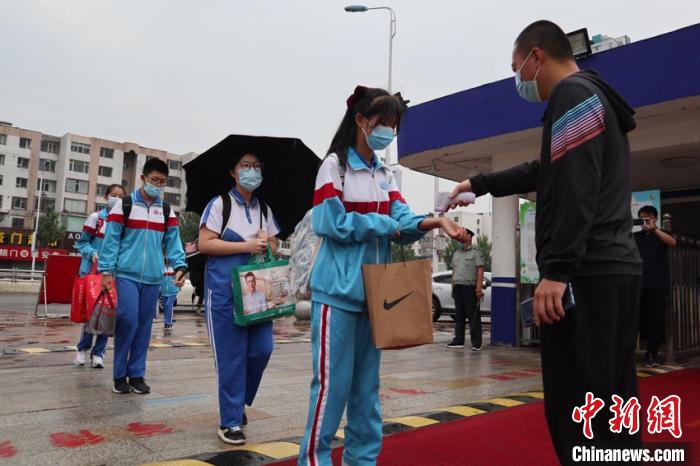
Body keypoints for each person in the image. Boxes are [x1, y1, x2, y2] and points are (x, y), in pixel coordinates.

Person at [450, 21, 643, 464]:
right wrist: (478, 183)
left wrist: (557, 271)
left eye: (516, 68)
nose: (518, 80)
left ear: (536, 56)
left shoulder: (571, 94)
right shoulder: (594, 97)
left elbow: (576, 187)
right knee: (611, 402)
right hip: (614, 269)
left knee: (578, 405)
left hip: (588, 273)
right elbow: (545, 169)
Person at [298, 85, 466, 466]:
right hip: (336, 296)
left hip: (374, 298)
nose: (389, 130)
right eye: (384, 122)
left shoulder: (384, 174)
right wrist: (384, 224)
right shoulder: (335, 166)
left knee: (366, 392)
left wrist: (435, 222)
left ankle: (362, 460)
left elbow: (402, 220)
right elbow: (329, 222)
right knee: (329, 389)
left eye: (394, 124)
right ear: (360, 120)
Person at [198, 152, 280, 445]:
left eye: (256, 166)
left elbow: (274, 244)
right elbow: (205, 243)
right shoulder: (220, 204)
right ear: (233, 172)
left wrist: (267, 243)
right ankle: (230, 421)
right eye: (245, 166)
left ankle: (237, 400)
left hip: (257, 292)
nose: (251, 171)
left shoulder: (264, 210)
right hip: (224, 291)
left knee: (262, 350)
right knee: (231, 357)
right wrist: (246, 245)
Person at [98, 158, 187, 395]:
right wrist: (106, 271)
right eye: (154, 180)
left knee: (144, 327)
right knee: (127, 320)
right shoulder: (124, 205)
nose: (157, 185)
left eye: (162, 182)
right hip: (126, 275)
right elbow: (111, 241)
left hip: (153, 277)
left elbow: (173, 241)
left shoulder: (165, 210)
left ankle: (136, 374)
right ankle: (119, 375)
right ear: (143, 178)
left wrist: (180, 266)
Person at [73, 184, 126, 368]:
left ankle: (98, 353)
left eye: (121, 196)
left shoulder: (124, 222)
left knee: (108, 313)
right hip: (93, 274)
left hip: (113, 275)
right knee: (91, 314)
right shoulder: (96, 218)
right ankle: (82, 349)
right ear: (106, 197)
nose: (117, 199)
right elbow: (82, 243)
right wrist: (92, 253)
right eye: (114, 195)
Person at [634, 205, 677, 367]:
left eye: (647, 218)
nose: (644, 221)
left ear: (655, 218)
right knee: (634, 321)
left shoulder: (662, 234)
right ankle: (627, 355)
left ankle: (651, 356)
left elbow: (672, 243)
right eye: (642, 218)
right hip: (637, 284)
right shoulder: (635, 236)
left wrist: (655, 229)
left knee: (656, 322)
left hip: (657, 285)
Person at [447, 228, 485, 351]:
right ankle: (459, 340)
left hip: (470, 287)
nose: (461, 238)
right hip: (457, 287)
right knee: (459, 315)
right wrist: (453, 287)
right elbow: (454, 271)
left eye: (464, 235)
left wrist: (478, 289)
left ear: (469, 237)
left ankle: (476, 343)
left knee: (473, 316)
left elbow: (480, 270)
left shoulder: (476, 253)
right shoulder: (456, 253)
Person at [160, 259, 180, 334]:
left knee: (168, 305)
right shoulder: (162, 267)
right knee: (165, 307)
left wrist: (178, 287)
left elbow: (180, 278)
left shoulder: (175, 267)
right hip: (163, 291)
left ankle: (168, 323)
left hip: (173, 291)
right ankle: (166, 323)